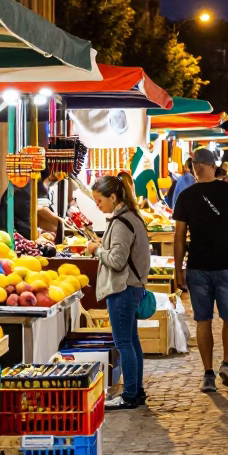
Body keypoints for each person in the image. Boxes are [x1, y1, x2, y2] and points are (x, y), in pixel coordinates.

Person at [173, 147, 228, 392]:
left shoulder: (186, 196)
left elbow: (179, 237)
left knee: (203, 320)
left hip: (198, 266)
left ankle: (208, 373)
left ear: (197, 166)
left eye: (192, 164)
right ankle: (227, 364)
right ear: (213, 166)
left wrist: (178, 269)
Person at [86, 175, 151, 409]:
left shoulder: (123, 222)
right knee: (131, 342)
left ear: (113, 197)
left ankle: (130, 395)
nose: (97, 205)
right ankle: (137, 391)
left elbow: (117, 260)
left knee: (124, 343)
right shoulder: (130, 218)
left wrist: (96, 250)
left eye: (99, 200)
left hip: (123, 288)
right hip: (130, 287)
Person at [0, 167, 60, 239]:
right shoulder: (29, 187)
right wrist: (61, 224)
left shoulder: (31, 185)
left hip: (10, 226)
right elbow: (38, 213)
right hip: (8, 230)